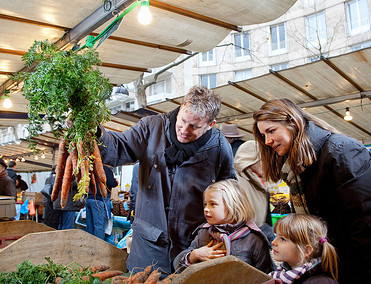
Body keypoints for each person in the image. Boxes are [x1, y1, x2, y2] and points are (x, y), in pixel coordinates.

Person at [97, 86, 236, 275]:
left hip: (194, 248)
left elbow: (230, 197)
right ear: (180, 108)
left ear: (210, 125)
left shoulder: (219, 148)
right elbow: (120, 146)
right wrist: (97, 134)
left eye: (194, 126)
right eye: (183, 121)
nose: (184, 130)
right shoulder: (151, 127)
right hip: (148, 246)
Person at [253, 98, 371, 283]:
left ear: (292, 122)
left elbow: (364, 224)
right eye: (263, 135)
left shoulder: (341, 151)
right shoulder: (296, 167)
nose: (267, 141)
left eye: (271, 131)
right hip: (330, 265)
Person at [173, 179, 273, 274]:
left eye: (213, 204)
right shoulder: (204, 233)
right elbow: (177, 267)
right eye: (205, 204)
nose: (206, 209)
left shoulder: (253, 239)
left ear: (233, 207)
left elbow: (266, 275)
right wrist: (193, 255)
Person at [264, 214, 339, 284]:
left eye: (283, 239)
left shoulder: (321, 282)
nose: (273, 242)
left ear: (306, 251)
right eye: (276, 236)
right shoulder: (284, 275)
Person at [234, 140, 274, 242]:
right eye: (263, 159)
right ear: (251, 159)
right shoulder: (237, 181)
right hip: (247, 234)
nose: (267, 163)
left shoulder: (257, 179)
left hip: (261, 228)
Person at [84, 164, 118, 240]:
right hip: (98, 199)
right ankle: (98, 248)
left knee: (90, 225)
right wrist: (116, 182)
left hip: (88, 198)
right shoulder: (106, 169)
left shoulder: (90, 168)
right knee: (99, 226)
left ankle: (89, 246)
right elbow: (111, 183)